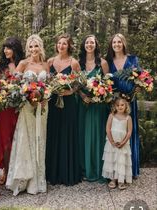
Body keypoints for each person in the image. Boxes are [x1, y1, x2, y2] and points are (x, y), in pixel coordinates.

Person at [6, 34, 49, 195]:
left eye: (36, 46)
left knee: (40, 139)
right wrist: (27, 95)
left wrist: (45, 97)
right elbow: (14, 85)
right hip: (27, 107)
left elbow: (49, 85)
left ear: (40, 47)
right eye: (30, 47)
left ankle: (37, 181)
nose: (33, 49)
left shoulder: (46, 65)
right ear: (27, 49)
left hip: (42, 107)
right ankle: (24, 179)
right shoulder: (23, 64)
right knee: (26, 139)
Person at [46, 33, 82, 186]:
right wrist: (52, 89)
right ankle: (52, 173)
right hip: (53, 102)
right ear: (56, 45)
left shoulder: (74, 63)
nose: (61, 46)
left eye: (64, 44)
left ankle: (68, 173)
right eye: (59, 43)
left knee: (67, 135)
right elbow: (46, 81)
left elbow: (80, 83)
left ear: (69, 46)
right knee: (53, 134)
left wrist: (70, 91)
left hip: (68, 103)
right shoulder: (50, 61)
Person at [106, 33, 140, 178]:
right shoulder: (108, 61)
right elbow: (105, 82)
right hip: (114, 103)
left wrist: (139, 86)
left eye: (119, 42)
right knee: (115, 132)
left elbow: (140, 78)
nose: (117, 45)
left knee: (128, 132)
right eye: (114, 42)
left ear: (123, 43)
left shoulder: (132, 59)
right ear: (111, 45)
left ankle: (129, 170)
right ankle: (114, 172)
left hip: (129, 101)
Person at [77, 35, 109, 182]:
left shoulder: (102, 63)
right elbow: (75, 84)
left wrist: (98, 95)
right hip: (83, 105)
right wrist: (83, 96)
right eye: (87, 42)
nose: (89, 44)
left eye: (92, 42)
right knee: (83, 135)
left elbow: (108, 84)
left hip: (98, 105)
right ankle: (84, 168)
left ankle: (97, 169)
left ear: (96, 45)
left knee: (96, 135)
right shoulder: (79, 63)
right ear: (84, 45)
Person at [0, 37, 24, 185]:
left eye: (9, 48)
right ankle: (6, 171)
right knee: (5, 139)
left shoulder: (22, 64)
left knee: (17, 139)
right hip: (4, 108)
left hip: (19, 107)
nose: (6, 51)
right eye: (4, 48)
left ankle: (16, 170)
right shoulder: (0, 65)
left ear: (16, 49)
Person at [102, 96, 133, 190]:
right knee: (112, 160)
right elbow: (107, 129)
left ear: (126, 106)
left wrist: (123, 143)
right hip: (112, 143)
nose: (120, 107)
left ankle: (120, 180)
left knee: (121, 161)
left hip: (123, 144)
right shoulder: (111, 115)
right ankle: (113, 180)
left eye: (122, 105)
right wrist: (111, 141)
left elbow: (129, 132)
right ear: (114, 107)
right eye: (118, 105)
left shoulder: (128, 118)